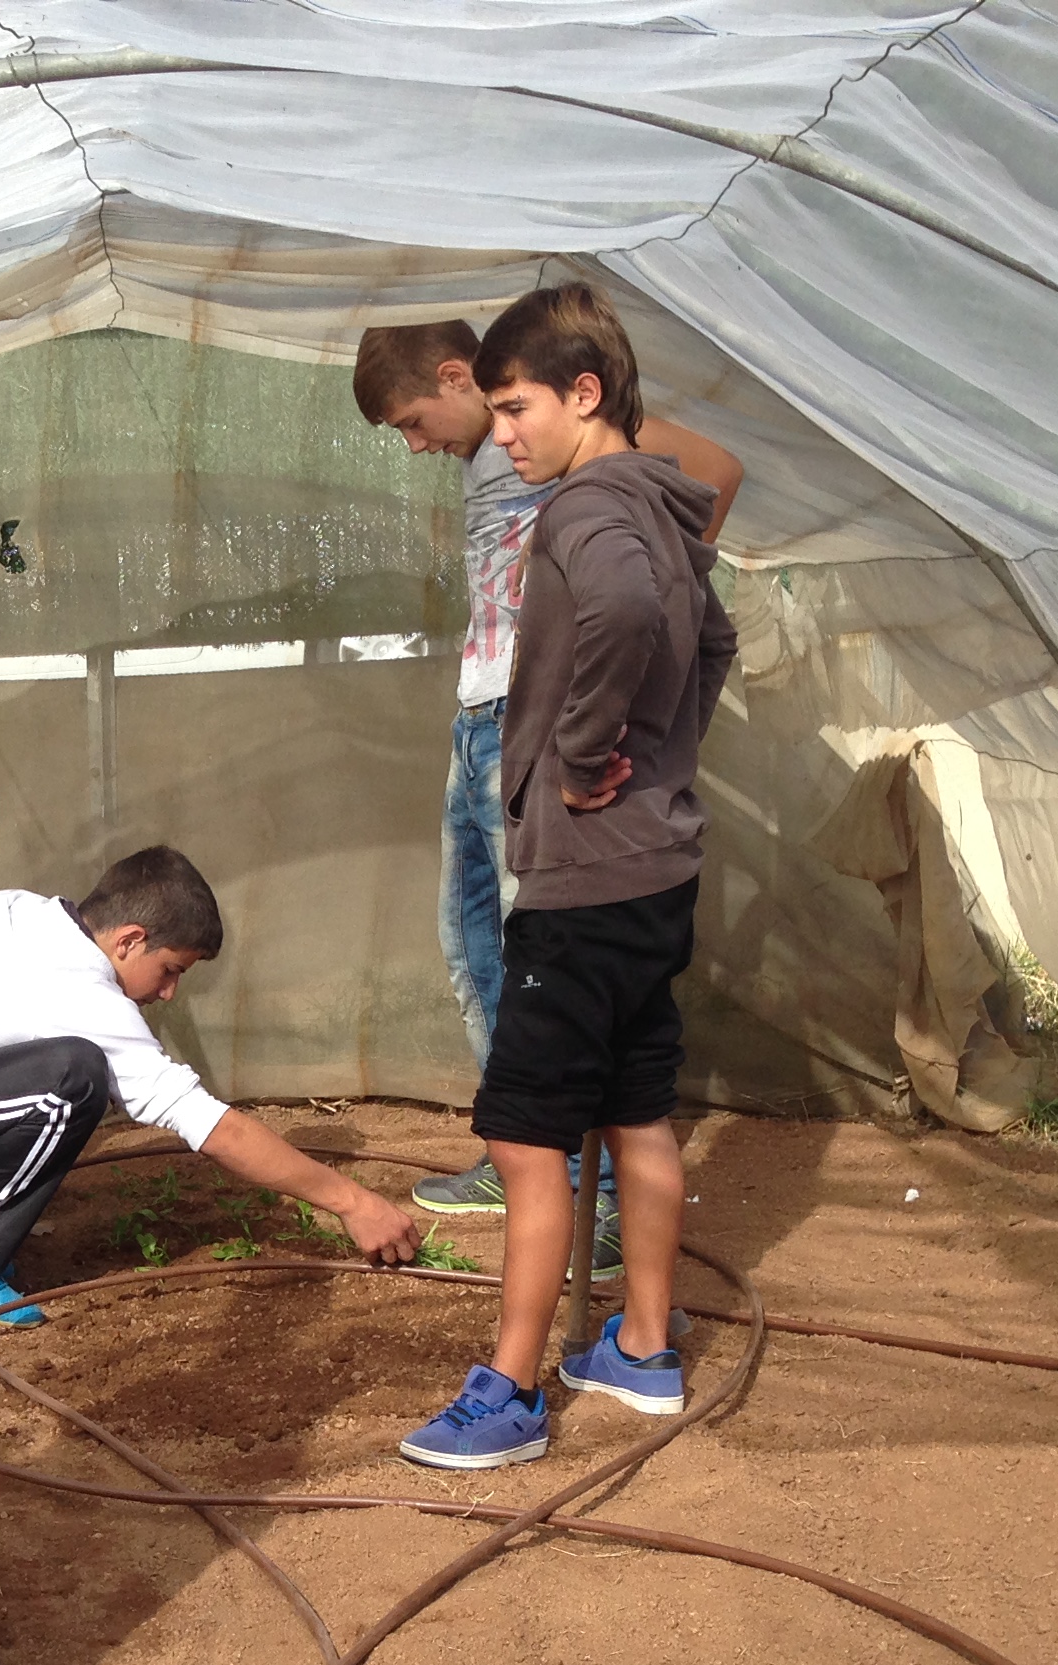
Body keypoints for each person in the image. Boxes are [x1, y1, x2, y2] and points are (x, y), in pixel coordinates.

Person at [399, 285, 737, 1470]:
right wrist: (666, 753)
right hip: (657, 869)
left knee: (530, 1138)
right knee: (638, 1108)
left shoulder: (587, 510)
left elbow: (632, 613)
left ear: (584, 394)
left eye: (516, 409)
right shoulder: (663, 504)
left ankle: (509, 1389)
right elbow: (713, 637)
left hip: (584, 882)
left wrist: (586, 756)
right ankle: (641, 1345)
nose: (503, 436)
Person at [0, 846, 425, 1324]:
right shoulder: (78, 990)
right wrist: (355, 1203)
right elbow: (213, 1127)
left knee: (53, 1076)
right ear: (129, 940)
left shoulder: (22, 910)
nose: (169, 992)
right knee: (71, 1079)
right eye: (170, 970)